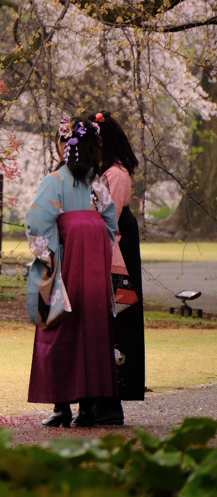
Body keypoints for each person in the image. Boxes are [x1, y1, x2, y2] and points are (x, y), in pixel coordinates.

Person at [26, 116, 119, 428]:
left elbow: (37, 225)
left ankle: (62, 405)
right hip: (93, 270)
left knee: (61, 330)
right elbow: (110, 227)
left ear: (63, 145)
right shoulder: (98, 185)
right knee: (93, 331)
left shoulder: (55, 181)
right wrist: (94, 246)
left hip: (65, 265)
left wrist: (48, 261)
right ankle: (89, 407)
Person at [92, 111, 146, 426]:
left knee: (115, 328)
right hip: (113, 250)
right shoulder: (107, 172)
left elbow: (105, 219)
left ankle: (111, 404)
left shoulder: (115, 174)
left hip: (115, 256)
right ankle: (101, 401)